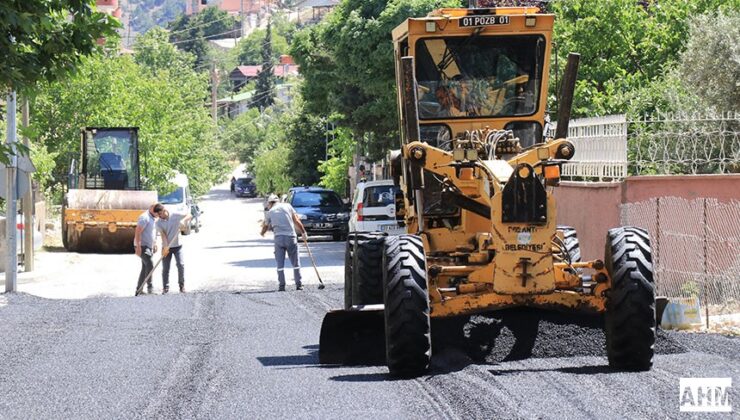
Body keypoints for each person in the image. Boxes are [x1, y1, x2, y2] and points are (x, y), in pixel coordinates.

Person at [260, 194, 307, 291]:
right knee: (295, 262)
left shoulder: (270, 212)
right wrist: (303, 232)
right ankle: (299, 284)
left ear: (270, 203)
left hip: (279, 239)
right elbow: (296, 220)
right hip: (291, 237)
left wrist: (262, 233)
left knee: (280, 263)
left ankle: (282, 286)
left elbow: (265, 225)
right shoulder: (288, 206)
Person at [156, 209, 193, 294]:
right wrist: (165, 247)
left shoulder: (175, 215)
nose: (160, 216)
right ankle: (165, 287)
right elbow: (163, 235)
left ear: (164, 210)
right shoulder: (158, 223)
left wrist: (183, 221)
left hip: (178, 246)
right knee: (165, 268)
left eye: (160, 214)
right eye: (158, 215)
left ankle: (181, 286)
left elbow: (189, 215)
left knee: (181, 265)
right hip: (166, 248)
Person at [134, 203, 164, 296]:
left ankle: (139, 290)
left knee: (145, 267)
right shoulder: (144, 218)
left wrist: (154, 243)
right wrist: (138, 247)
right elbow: (138, 232)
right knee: (150, 264)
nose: (159, 216)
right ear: (152, 210)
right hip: (142, 246)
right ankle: (150, 288)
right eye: (158, 214)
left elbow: (152, 231)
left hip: (148, 246)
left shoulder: (152, 218)